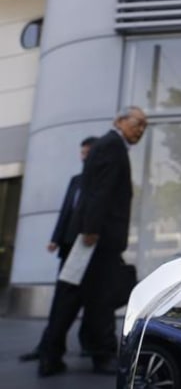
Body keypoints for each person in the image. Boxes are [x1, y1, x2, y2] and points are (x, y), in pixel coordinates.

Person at [37, 106, 148, 377]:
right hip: (96, 239)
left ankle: (51, 356)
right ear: (120, 121)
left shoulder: (107, 145)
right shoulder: (112, 146)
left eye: (145, 126)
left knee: (71, 297)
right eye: (137, 123)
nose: (141, 129)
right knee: (99, 298)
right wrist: (91, 230)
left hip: (91, 237)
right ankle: (101, 355)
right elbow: (101, 192)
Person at [18, 136, 99, 364]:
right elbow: (66, 212)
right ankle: (47, 347)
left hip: (88, 251)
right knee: (62, 302)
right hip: (67, 248)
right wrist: (55, 239)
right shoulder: (76, 180)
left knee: (89, 302)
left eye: (88, 153)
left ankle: (88, 348)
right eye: (82, 153)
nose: (84, 157)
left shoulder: (101, 181)